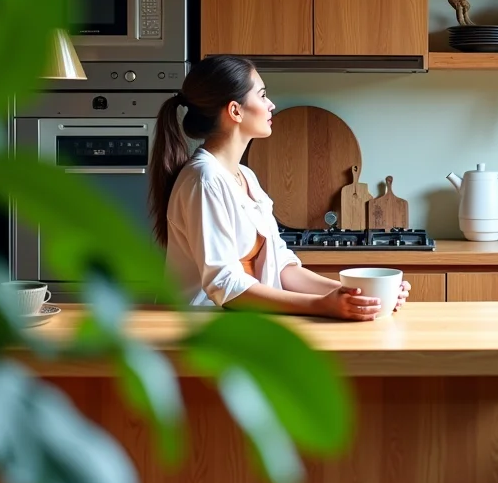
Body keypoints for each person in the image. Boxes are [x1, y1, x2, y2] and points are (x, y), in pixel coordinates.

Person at [148, 55, 409, 319]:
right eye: (262, 95)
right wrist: (323, 305)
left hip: (241, 326)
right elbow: (225, 284)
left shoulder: (245, 177)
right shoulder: (205, 180)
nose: (271, 104)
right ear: (235, 111)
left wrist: (360, 294)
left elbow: (281, 266)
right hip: (201, 334)